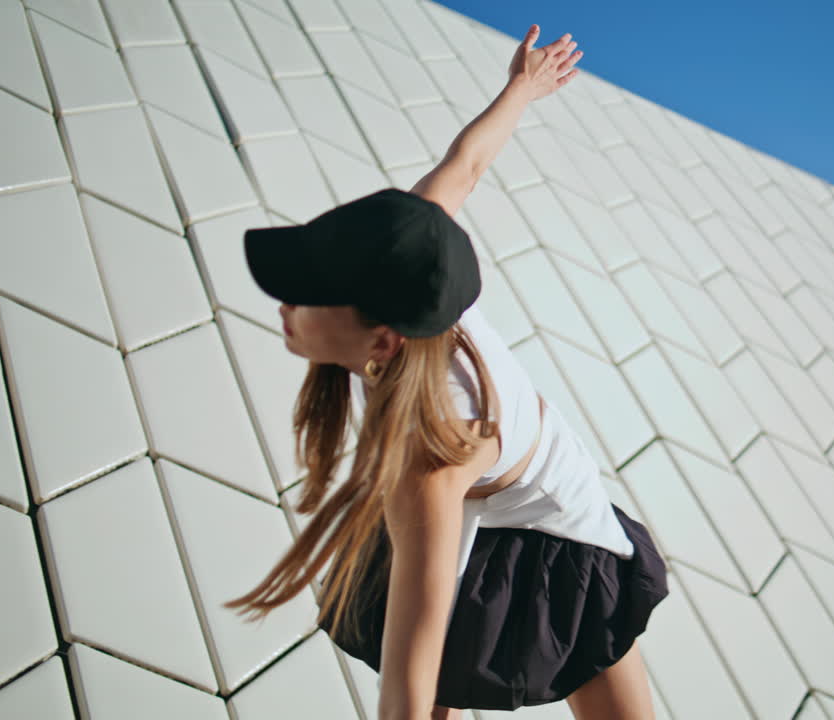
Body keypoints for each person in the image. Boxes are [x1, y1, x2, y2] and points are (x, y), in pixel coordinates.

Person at [226, 24, 669, 720]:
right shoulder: (411, 259)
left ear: (383, 336)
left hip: (552, 530)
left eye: (311, 290)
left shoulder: (425, 469)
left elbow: (409, 683)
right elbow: (465, 167)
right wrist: (524, 85)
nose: (286, 303)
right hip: (463, 483)